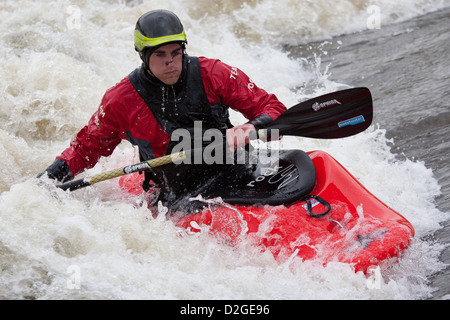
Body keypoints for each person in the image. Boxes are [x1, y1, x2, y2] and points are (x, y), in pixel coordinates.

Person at [38, 9, 286, 212]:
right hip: (178, 195)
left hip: (237, 172)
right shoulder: (121, 100)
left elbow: (275, 110)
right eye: (160, 54)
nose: (170, 62)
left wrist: (252, 126)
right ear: (144, 56)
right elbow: (86, 147)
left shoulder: (214, 73)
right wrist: (47, 180)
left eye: (176, 53)